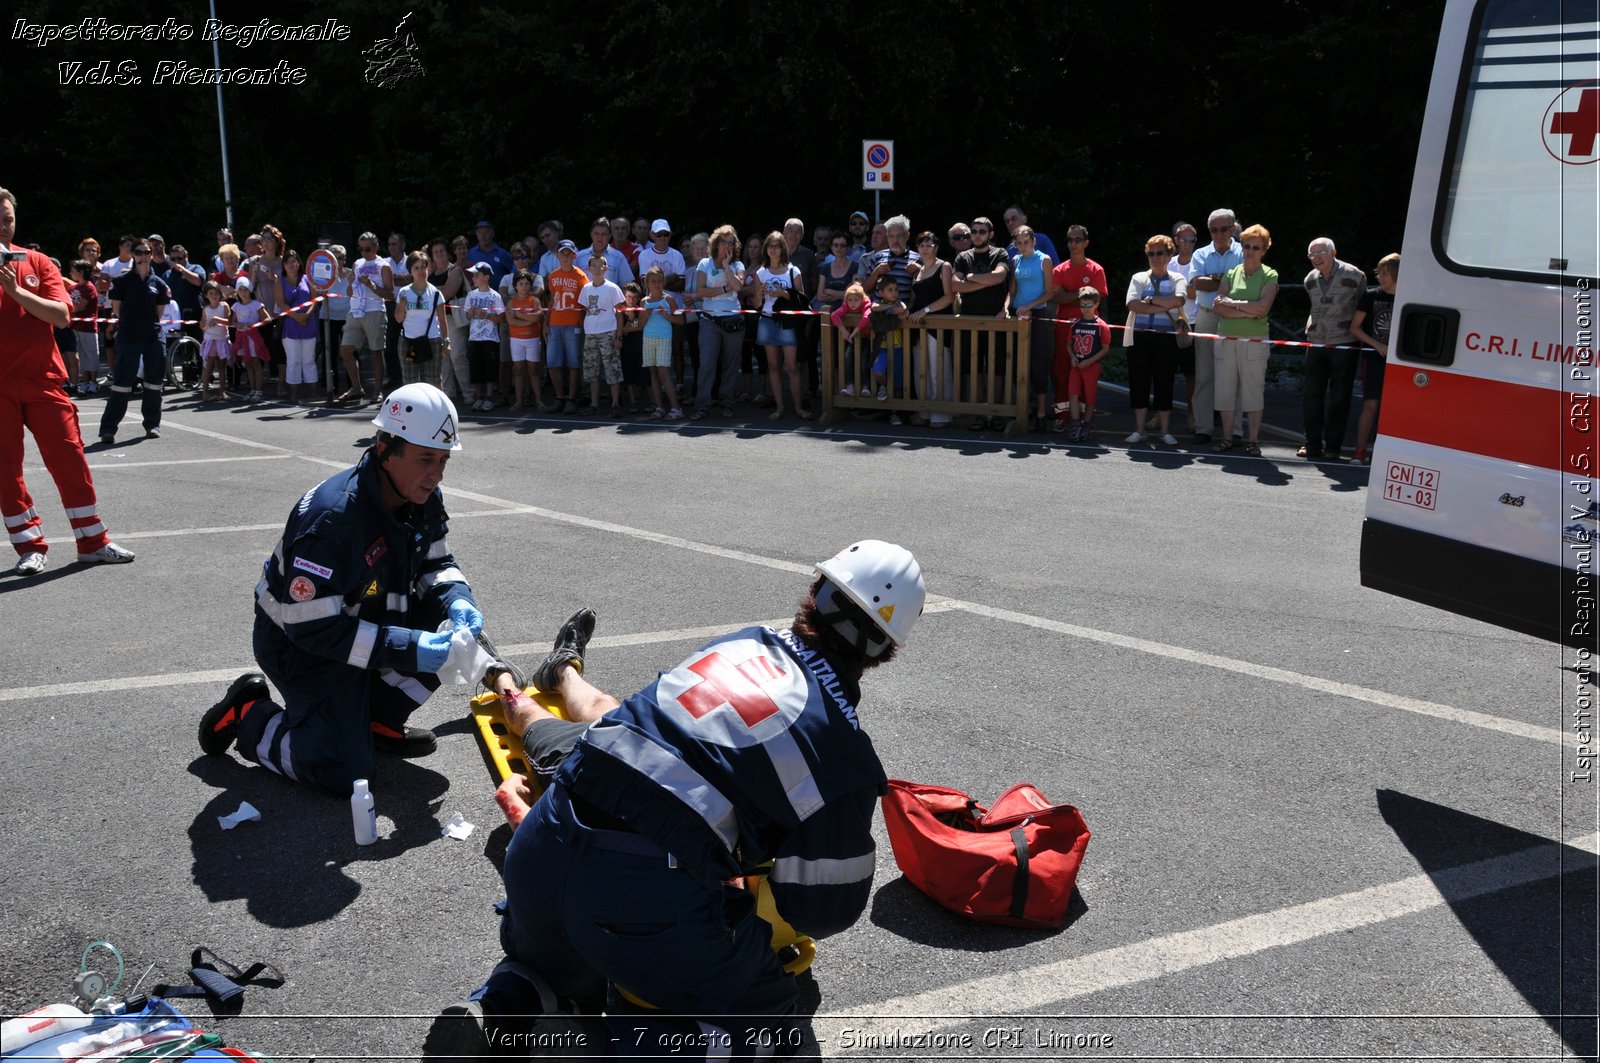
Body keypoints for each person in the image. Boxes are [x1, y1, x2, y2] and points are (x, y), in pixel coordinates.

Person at [427, 540, 927, 1060]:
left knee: (551, 968)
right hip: (638, 896)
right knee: (774, 1031)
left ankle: (505, 1011)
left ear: (816, 592)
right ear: (887, 650)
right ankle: (572, 1051)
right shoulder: (844, 756)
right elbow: (822, 910)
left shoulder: (741, 644)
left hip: (543, 847)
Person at [198, 384, 480, 792]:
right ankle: (250, 717)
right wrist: (410, 647)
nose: (435, 475)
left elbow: (436, 561)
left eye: (443, 460)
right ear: (385, 448)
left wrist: (458, 600)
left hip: (363, 624)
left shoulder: (419, 495)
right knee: (344, 773)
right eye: (425, 459)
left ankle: (374, 721)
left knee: (458, 636)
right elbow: (311, 628)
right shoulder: (333, 521)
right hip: (301, 648)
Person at [1, 187, 134, 575]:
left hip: (43, 380)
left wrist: (14, 291)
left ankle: (92, 542)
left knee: (70, 458)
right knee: (6, 468)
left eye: (8, 218)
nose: (4, 226)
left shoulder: (38, 262)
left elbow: (60, 315)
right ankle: (28, 545)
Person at [1211, 224, 1279, 457]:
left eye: (1256, 248)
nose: (1250, 251)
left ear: (1264, 250)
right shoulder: (1231, 273)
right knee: (1225, 390)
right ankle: (1228, 438)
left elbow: (1263, 308)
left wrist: (1234, 303)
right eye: (1247, 246)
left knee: (1253, 391)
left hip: (1254, 341)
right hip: (1226, 338)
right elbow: (1217, 306)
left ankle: (1253, 440)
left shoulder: (1270, 274)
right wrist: (1246, 310)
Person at [1298, 237, 1368, 462]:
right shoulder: (1310, 279)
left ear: (1333, 252)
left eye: (1321, 253)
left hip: (1344, 342)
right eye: (1312, 254)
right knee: (1311, 394)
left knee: (1340, 397)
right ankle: (1312, 444)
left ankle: (1333, 447)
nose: (1316, 258)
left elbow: (1362, 307)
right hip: (1316, 341)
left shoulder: (1355, 275)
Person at [99, 239, 173, 445]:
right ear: (133, 255)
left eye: (146, 252)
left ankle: (152, 424)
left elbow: (158, 313)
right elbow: (117, 309)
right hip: (129, 335)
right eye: (139, 252)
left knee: (154, 381)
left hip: (152, 334)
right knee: (122, 382)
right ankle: (108, 429)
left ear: (151, 255)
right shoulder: (122, 281)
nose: (143, 256)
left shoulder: (158, 283)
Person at [1123, 235, 1187, 445]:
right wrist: (1163, 304)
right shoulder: (1139, 278)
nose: (1155, 257)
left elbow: (1179, 299)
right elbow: (1132, 304)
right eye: (1151, 253)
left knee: (1164, 383)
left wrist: (1149, 300)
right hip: (1139, 337)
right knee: (1138, 382)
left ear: (1169, 255)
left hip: (1166, 339)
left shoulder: (1177, 278)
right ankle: (1139, 430)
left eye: (1160, 253)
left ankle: (1165, 431)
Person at [1188, 209, 1244, 443]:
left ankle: (1237, 431)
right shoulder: (1200, 253)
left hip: (1234, 317)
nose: (1219, 234)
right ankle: (1204, 427)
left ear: (1232, 229)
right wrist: (1225, 279)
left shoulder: (1244, 251)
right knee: (1204, 374)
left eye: (1224, 229)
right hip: (1207, 316)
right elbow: (1196, 284)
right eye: (1214, 230)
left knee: (1235, 375)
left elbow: (1242, 284)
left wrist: (1214, 279)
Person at [950, 217, 1012, 419]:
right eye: (973, 232)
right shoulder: (963, 257)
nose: (976, 235)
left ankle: (995, 413)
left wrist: (972, 278)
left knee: (997, 369)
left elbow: (1000, 276)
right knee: (973, 369)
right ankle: (978, 414)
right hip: (970, 321)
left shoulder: (1000, 253)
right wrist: (987, 281)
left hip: (997, 320)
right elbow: (955, 285)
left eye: (981, 231)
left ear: (991, 234)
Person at [1049, 225, 1108, 431]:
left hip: (1090, 331)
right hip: (1064, 329)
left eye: (1077, 240)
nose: (1073, 244)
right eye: (1070, 240)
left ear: (1086, 243)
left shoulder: (1096, 269)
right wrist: (1081, 294)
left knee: (1086, 373)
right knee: (1061, 371)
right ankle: (1063, 415)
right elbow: (1056, 296)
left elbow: (1095, 299)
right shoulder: (1059, 270)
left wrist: (1070, 294)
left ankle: (1083, 417)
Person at [754, 231, 810, 420]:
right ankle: (779, 408)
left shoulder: (793, 271)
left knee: (792, 366)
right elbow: (755, 304)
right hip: (767, 320)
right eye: (770, 245)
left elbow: (802, 299)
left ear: (783, 249)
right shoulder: (761, 273)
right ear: (766, 249)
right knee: (773, 366)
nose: (773, 249)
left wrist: (784, 294)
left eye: (777, 245)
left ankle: (799, 408)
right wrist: (760, 295)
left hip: (787, 322)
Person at [1349, 253, 1399, 466]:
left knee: (1394, 407)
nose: (1381, 277)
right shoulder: (1370, 296)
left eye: (1385, 274)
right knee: (1370, 404)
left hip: (1398, 361)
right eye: (1379, 273)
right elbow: (1354, 327)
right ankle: (1359, 450)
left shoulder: (1408, 297)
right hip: (1373, 358)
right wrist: (1376, 345)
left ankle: (1386, 453)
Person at [693, 225, 746, 420]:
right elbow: (700, 292)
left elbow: (738, 287)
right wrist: (724, 288)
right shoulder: (704, 264)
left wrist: (726, 266)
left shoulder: (738, 266)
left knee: (730, 365)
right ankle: (702, 405)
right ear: (716, 243)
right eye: (724, 241)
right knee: (707, 364)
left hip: (733, 321)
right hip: (709, 321)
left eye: (731, 242)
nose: (728, 245)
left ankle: (727, 403)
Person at [336, 233, 393, 405]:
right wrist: (351, 283)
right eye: (361, 249)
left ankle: (377, 391)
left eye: (367, 249)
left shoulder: (383, 266)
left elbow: (390, 295)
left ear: (376, 247)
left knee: (376, 352)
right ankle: (356, 388)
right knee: (346, 349)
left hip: (374, 311)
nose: (364, 253)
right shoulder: (357, 264)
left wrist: (372, 286)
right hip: (355, 310)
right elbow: (349, 293)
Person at [1008, 226, 1055, 432]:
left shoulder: (1044, 260)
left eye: (1026, 242)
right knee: (1018, 362)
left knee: (1038, 362)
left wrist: (1030, 306)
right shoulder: (1016, 260)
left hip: (1037, 314)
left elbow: (1049, 292)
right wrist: (1005, 307)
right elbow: (1012, 290)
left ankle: (1041, 412)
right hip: (1018, 314)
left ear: (1033, 241)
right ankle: (1022, 408)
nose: (1022, 246)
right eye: (1018, 243)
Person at [907, 232, 956, 428]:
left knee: (938, 369)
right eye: (921, 245)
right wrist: (907, 310)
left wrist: (925, 310)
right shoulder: (917, 272)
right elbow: (914, 298)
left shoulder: (944, 266)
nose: (925, 248)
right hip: (917, 325)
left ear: (936, 247)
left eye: (929, 244)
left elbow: (949, 297)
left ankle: (941, 414)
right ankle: (924, 411)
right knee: (921, 370)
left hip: (938, 326)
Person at [395, 250, 450, 390]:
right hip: (408, 342)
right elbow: (398, 318)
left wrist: (446, 341)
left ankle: (438, 411)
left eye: (423, 267)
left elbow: (443, 320)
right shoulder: (404, 292)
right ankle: (413, 412)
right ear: (410, 271)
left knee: (435, 381)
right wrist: (401, 307)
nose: (421, 271)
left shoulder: (436, 293)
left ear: (428, 268)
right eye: (416, 268)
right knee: (410, 384)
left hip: (432, 340)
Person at [544, 241, 587, 414]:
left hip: (573, 323)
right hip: (555, 323)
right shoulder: (553, 276)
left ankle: (571, 398)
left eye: (569, 253)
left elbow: (584, 304)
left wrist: (583, 325)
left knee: (573, 362)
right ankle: (559, 397)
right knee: (552, 362)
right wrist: (546, 323)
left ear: (574, 255)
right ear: (558, 255)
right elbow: (552, 300)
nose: (566, 256)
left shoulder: (581, 276)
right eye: (563, 253)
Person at [578, 255, 625, 416]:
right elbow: (584, 312)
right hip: (591, 333)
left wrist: (619, 336)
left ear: (606, 268)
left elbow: (620, 313)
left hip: (608, 333)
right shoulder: (586, 289)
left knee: (612, 369)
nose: (597, 269)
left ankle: (615, 403)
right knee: (592, 370)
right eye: (594, 266)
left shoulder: (612, 288)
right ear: (589, 269)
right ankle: (594, 404)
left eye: (601, 266)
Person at [1063, 287, 1111, 442]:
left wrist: (1089, 361)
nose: (1085, 309)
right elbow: (1069, 344)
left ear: (1096, 304)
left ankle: (1087, 424)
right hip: (1076, 367)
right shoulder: (1076, 324)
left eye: (1088, 306)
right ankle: (1076, 423)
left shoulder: (1101, 325)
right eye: (1082, 306)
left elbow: (1105, 348)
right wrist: (1072, 357)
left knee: (1090, 397)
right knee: (1073, 393)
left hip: (1092, 366)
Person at [1167, 222, 1202, 428]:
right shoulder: (1168, 263)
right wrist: (1183, 292)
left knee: (1192, 373)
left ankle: (1192, 414)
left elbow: (1195, 292)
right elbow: (1163, 291)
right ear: (1176, 241)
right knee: (1165, 372)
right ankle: (1162, 414)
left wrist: (1177, 293)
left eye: (1192, 240)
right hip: (1170, 324)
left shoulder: (1200, 263)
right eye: (1184, 240)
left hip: (1194, 324)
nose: (1188, 244)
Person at [639, 266, 684, 420]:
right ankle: (659, 407)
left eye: (659, 281)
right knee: (653, 374)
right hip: (648, 339)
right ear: (647, 283)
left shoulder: (668, 299)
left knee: (663, 374)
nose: (657, 284)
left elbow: (681, 320)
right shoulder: (644, 301)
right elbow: (640, 325)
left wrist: (667, 316)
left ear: (664, 282)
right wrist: (644, 315)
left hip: (664, 339)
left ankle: (676, 408)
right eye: (653, 281)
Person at [276, 251, 320, 402]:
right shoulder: (280, 281)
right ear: (284, 265)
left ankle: (314, 391)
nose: (292, 265)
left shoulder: (308, 279)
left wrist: (306, 315)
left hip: (309, 323)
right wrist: (297, 317)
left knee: (309, 359)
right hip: (290, 325)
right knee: (293, 360)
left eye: (295, 261)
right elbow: (281, 303)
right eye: (289, 262)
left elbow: (314, 299)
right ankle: (294, 393)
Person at [462, 262, 505, 412]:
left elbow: (502, 318)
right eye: (473, 275)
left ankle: (488, 397)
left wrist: (486, 315)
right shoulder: (471, 295)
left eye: (476, 275)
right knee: (476, 369)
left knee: (490, 369)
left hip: (490, 338)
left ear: (486, 277)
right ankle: (479, 397)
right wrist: (472, 312)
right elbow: (467, 316)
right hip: (474, 338)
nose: (473, 277)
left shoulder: (495, 296)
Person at [504, 269, 545, 410]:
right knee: (519, 370)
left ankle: (539, 401)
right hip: (516, 340)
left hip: (533, 339)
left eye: (527, 284)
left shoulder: (535, 300)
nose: (524, 287)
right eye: (521, 284)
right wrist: (529, 320)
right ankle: (519, 401)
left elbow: (537, 317)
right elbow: (511, 322)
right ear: (516, 285)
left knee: (533, 370)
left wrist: (520, 315)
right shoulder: (511, 302)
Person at [198, 282, 233, 400]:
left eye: (216, 293)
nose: (214, 296)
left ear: (220, 294)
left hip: (222, 339)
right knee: (209, 367)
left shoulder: (224, 306)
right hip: (210, 340)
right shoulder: (206, 309)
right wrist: (203, 325)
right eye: (211, 293)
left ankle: (222, 391)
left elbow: (229, 321)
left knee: (222, 367)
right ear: (206, 295)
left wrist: (216, 319)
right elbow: (202, 324)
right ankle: (205, 392)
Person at [467, 220, 514, 287]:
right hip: (478, 295)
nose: (483, 236)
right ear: (476, 234)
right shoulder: (470, 254)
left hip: (499, 295)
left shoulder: (503, 254)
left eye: (486, 232)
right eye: (479, 232)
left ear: (492, 234)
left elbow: (513, 273)